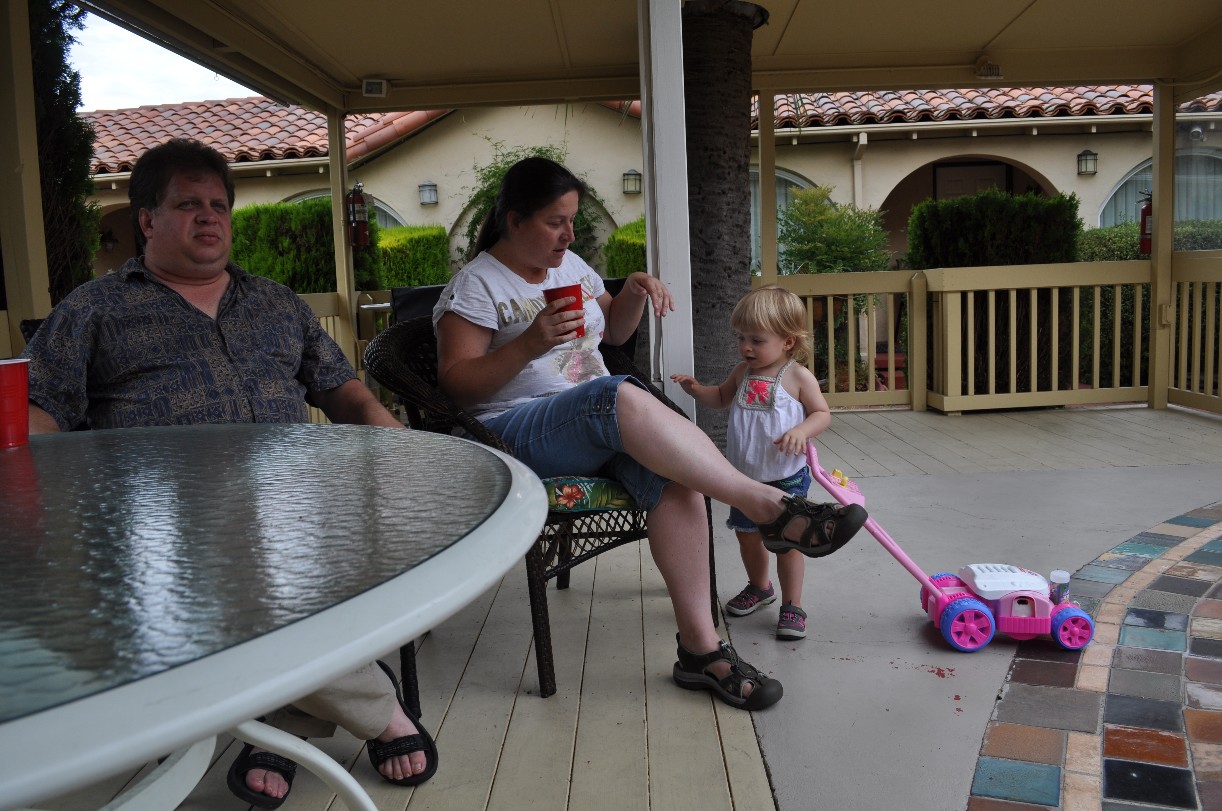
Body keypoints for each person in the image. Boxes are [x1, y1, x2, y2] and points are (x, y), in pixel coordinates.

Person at [21, 138, 437, 807]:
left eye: (219, 205)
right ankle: (374, 706)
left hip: (296, 504)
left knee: (328, 558)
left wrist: (399, 448)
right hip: (163, 525)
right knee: (250, 575)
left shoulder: (277, 302)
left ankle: (283, 720)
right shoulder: (93, 310)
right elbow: (42, 409)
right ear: (147, 220)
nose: (209, 217)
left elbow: (344, 392)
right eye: (189, 204)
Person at [432, 156, 867, 711]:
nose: (569, 234)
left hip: (593, 422)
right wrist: (528, 344)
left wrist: (634, 292)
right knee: (614, 393)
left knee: (674, 478)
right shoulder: (477, 284)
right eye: (555, 222)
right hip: (513, 433)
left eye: (572, 220)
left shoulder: (572, 268)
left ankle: (701, 651)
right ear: (514, 220)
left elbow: (613, 332)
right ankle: (771, 507)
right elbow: (456, 386)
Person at [671, 285, 833, 641]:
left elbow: (822, 414)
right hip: (744, 479)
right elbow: (720, 397)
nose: (746, 347)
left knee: (786, 543)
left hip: (785, 478)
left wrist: (802, 430)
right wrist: (697, 390)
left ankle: (793, 605)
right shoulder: (742, 372)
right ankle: (760, 587)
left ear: (788, 341)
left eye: (757, 340)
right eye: (741, 338)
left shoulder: (797, 377)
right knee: (748, 537)